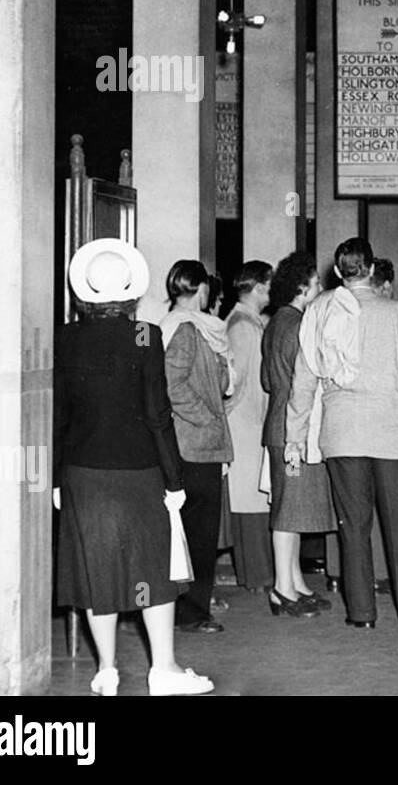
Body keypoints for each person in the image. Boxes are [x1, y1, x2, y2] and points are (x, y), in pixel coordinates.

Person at [54, 238, 213, 695]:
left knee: (95, 566)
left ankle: (105, 670)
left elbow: (60, 413)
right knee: (151, 568)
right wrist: (174, 478)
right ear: (129, 291)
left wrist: (57, 475)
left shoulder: (66, 337)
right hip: (139, 470)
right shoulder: (145, 335)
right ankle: (162, 669)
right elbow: (157, 414)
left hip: (82, 472)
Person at [287, 238, 398, 627]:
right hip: (388, 434)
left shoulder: (319, 310)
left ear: (339, 271)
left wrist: (295, 437)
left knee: (353, 526)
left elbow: (303, 379)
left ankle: (361, 613)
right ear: (371, 270)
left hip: (341, 434)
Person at [162, 259, 234, 635]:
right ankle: (191, 613)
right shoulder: (187, 330)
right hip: (194, 445)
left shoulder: (194, 329)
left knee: (191, 533)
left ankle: (189, 608)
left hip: (195, 444)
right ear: (201, 289)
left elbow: (216, 382)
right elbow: (173, 387)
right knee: (199, 534)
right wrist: (207, 418)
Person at [261, 251, 331, 617]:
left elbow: (267, 380)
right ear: (303, 288)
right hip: (293, 430)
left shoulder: (277, 322)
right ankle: (281, 589)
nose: (320, 287)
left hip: (278, 424)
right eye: (316, 283)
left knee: (292, 508)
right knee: (288, 513)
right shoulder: (300, 325)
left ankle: (295, 582)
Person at [223, 261, 275, 595]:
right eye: (269, 286)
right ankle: (257, 576)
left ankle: (257, 574)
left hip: (249, 421)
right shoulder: (242, 326)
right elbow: (238, 380)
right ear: (257, 288)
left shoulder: (247, 321)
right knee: (251, 501)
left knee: (253, 499)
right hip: (245, 422)